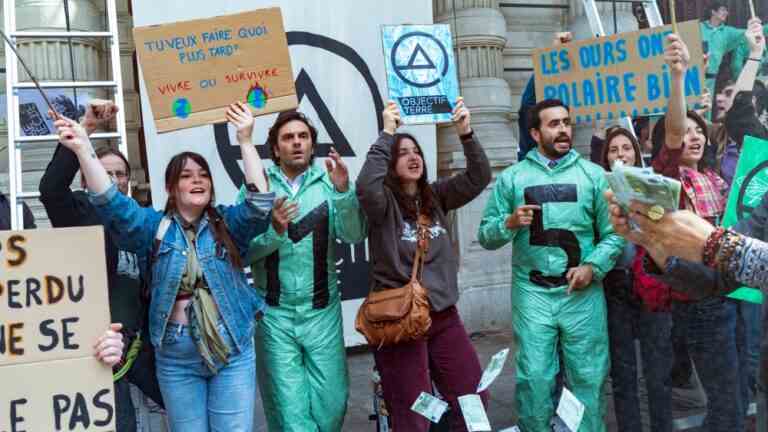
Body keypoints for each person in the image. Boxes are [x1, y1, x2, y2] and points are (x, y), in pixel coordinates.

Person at [53, 101, 274, 431]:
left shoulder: (227, 224)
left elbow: (259, 206)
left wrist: (245, 139)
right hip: (175, 356)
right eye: (186, 176)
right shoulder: (152, 228)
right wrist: (84, 148)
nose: (197, 180)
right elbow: (113, 204)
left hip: (233, 349)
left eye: (203, 176)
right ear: (171, 188)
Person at [478, 97, 624, 432]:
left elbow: (616, 234)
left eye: (566, 122)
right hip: (533, 292)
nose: (563, 130)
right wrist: (510, 223)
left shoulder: (595, 176)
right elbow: (486, 235)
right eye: (553, 124)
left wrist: (592, 266)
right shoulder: (512, 179)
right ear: (534, 132)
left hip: (582, 294)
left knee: (588, 379)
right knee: (535, 380)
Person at [356, 97, 491, 431]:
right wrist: (388, 133)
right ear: (390, 163)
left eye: (415, 151)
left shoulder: (437, 196)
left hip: (443, 317)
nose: (412, 157)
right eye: (402, 154)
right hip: (400, 322)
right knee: (412, 416)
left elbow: (479, 176)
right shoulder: (382, 204)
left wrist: (466, 132)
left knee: (473, 400)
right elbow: (364, 186)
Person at [39, 100, 162, 431]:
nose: (113, 179)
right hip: (102, 347)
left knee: (188, 411)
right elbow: (50, 190)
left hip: (145, 343)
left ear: (128, 181)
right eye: (104, 172)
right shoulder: (78, 210)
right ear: (87, 177)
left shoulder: (144, 217)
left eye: (120, 174)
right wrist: (86, 129)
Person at [240, 110, 366, 432]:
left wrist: (343, 192)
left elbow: (353, 235)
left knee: (332, 405)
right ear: (275, 148)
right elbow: (243, 251)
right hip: (274, 314)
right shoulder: (259, 187)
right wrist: (275, 231)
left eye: (303, 137)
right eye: (288, 137)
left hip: (322, 311)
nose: (296, 143)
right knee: (289, 411)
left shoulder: (329, 183)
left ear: (312, 145)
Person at [599, 127, 674, 432]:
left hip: (651, 285)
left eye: (626, 148)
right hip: (616, 286)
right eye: (614, 150)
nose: (621, 155)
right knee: (624, 373)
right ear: (606, 157)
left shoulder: (653, 183)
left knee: (658, 372)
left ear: (636, 152)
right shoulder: (598, 189)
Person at [700, 1, 749, 102]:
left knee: (706, 109)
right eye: (723, 10)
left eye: (727, 11)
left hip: (710, 80)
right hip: (692, 77)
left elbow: (750, 32)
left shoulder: (727, 32)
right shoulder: (698, 27)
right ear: (713, 12)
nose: (726, 13)